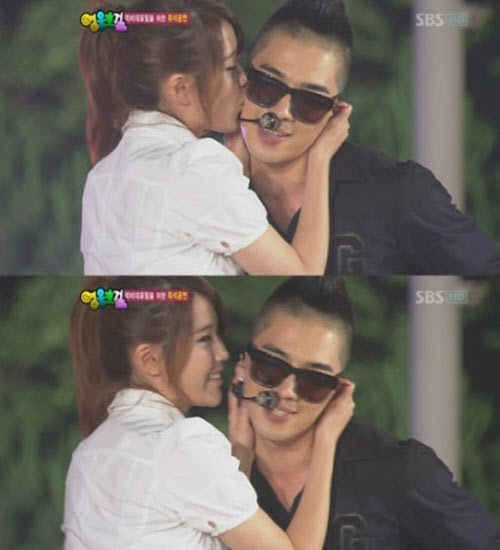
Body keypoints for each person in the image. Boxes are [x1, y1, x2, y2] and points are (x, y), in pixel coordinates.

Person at [62, 276, 355, 549]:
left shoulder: (89, 452)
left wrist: (241, 452)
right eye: (205, 339)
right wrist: (326, 438)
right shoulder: (182, 444)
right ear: (150, 360)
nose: (222, 353)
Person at [78, 0, 351, 276]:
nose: (244, 80)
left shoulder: (101, 177)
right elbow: (303, 273)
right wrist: (320, 156)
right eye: (230, 68)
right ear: (181, 89)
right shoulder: (196, 167)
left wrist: (235, 172)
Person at [230, 277, 500, 549]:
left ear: (338, 391)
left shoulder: (399, 470)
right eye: (271, 365)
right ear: (242, 365)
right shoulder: (215, 471)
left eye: (315, 380)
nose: (288, 391)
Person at [234, 0, 500, 275]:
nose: (282, 112)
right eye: (267, 84)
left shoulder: (397, 192)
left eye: (310, 101)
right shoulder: (208, 173)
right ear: (241, 78)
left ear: (335, 111)